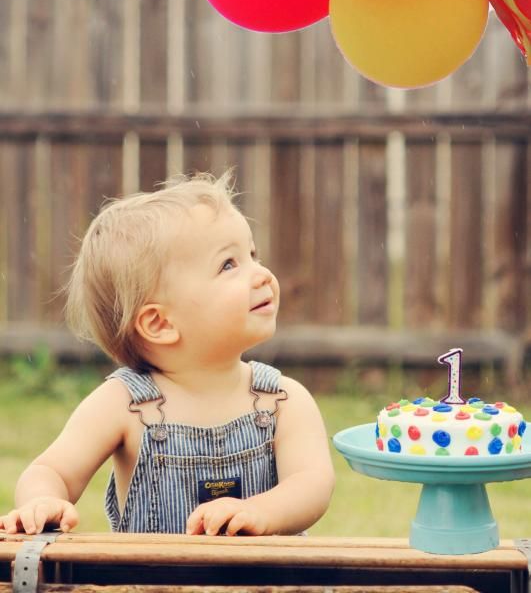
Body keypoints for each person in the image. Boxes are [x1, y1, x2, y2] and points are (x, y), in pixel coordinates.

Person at [0, 172, 335, 536]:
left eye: (252, 255)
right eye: (229, 264)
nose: (262, 274)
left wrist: (259, 511)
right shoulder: (125, 405)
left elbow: (312, 484)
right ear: (160, 323)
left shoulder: (281, 400)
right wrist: (42, 501)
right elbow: (51, 471)